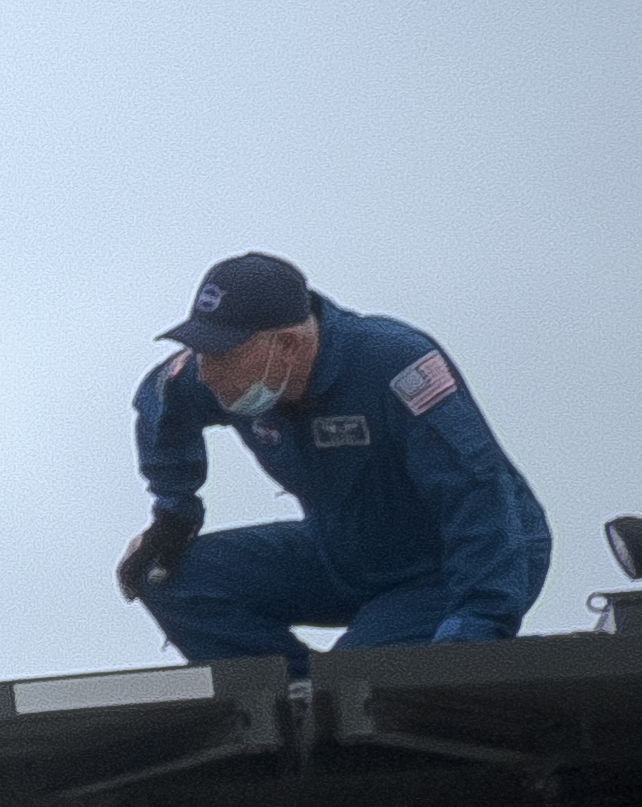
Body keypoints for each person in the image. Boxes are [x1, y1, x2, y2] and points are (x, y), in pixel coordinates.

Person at [114, 251, 549, 668]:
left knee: (355, 683)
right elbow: (160, 397)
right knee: (168, 577)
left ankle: (331, 698)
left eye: (224, 353)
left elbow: (478, 497)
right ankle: (292, 701)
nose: (206, 371)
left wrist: (475, 627)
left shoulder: (394, 364)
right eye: (201, 349)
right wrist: (175, 510)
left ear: (287, 344)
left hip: (450, 565)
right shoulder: (213, 372)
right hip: (343, 548)